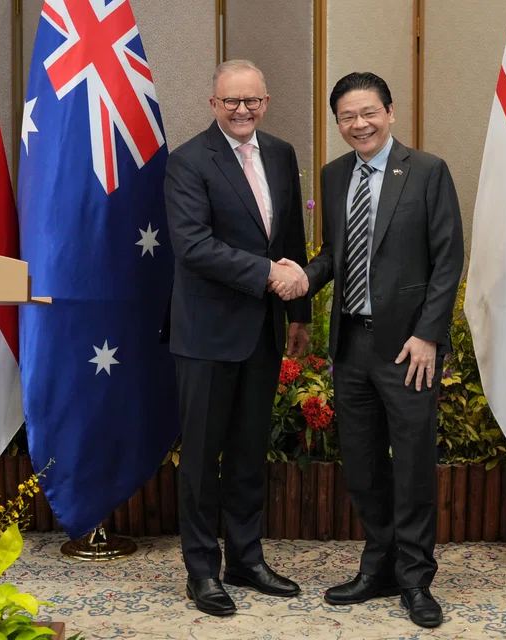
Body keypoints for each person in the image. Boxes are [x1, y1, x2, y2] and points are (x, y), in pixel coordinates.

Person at [276, 71, 464, 628]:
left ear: (390, 112)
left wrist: (429, 333)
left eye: (368, 113)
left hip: (409, 348)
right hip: (351, 345)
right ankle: (378, 567)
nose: (359, 125)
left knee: (410, 468)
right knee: (360, 467)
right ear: (338, 123)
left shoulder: (427, 171)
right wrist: (304, 278)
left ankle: (415, 580)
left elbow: (447, 257)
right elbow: (336, 252)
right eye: (347, 117)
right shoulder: (335, 176)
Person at [163, 59, 311, 617]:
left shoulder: (281, 153)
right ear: (213, 104)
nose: (242, 110)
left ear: (266, 101)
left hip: (266, 331)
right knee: (201, 459)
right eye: (232, 102)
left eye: (252, 101)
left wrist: (300, 313)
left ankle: (245, 559)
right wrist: (266, 274)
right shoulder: (188, 161)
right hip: (205, 335)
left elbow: (290, 236)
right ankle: (201, 571)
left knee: (249, 453)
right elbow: (193, 245)